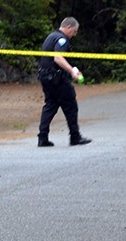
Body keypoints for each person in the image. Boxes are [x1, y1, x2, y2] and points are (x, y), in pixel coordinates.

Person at [37, 17, 91, 147]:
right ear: (68, 27)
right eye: (74, 31)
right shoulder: (62, 39)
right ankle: (75, 137)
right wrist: (72, 71)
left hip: (45, 77)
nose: (75, 34)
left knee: (50, 106)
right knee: (71, 105)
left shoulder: (51, 36)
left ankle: (42, 138)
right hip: (57, 79)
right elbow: (58, 58)